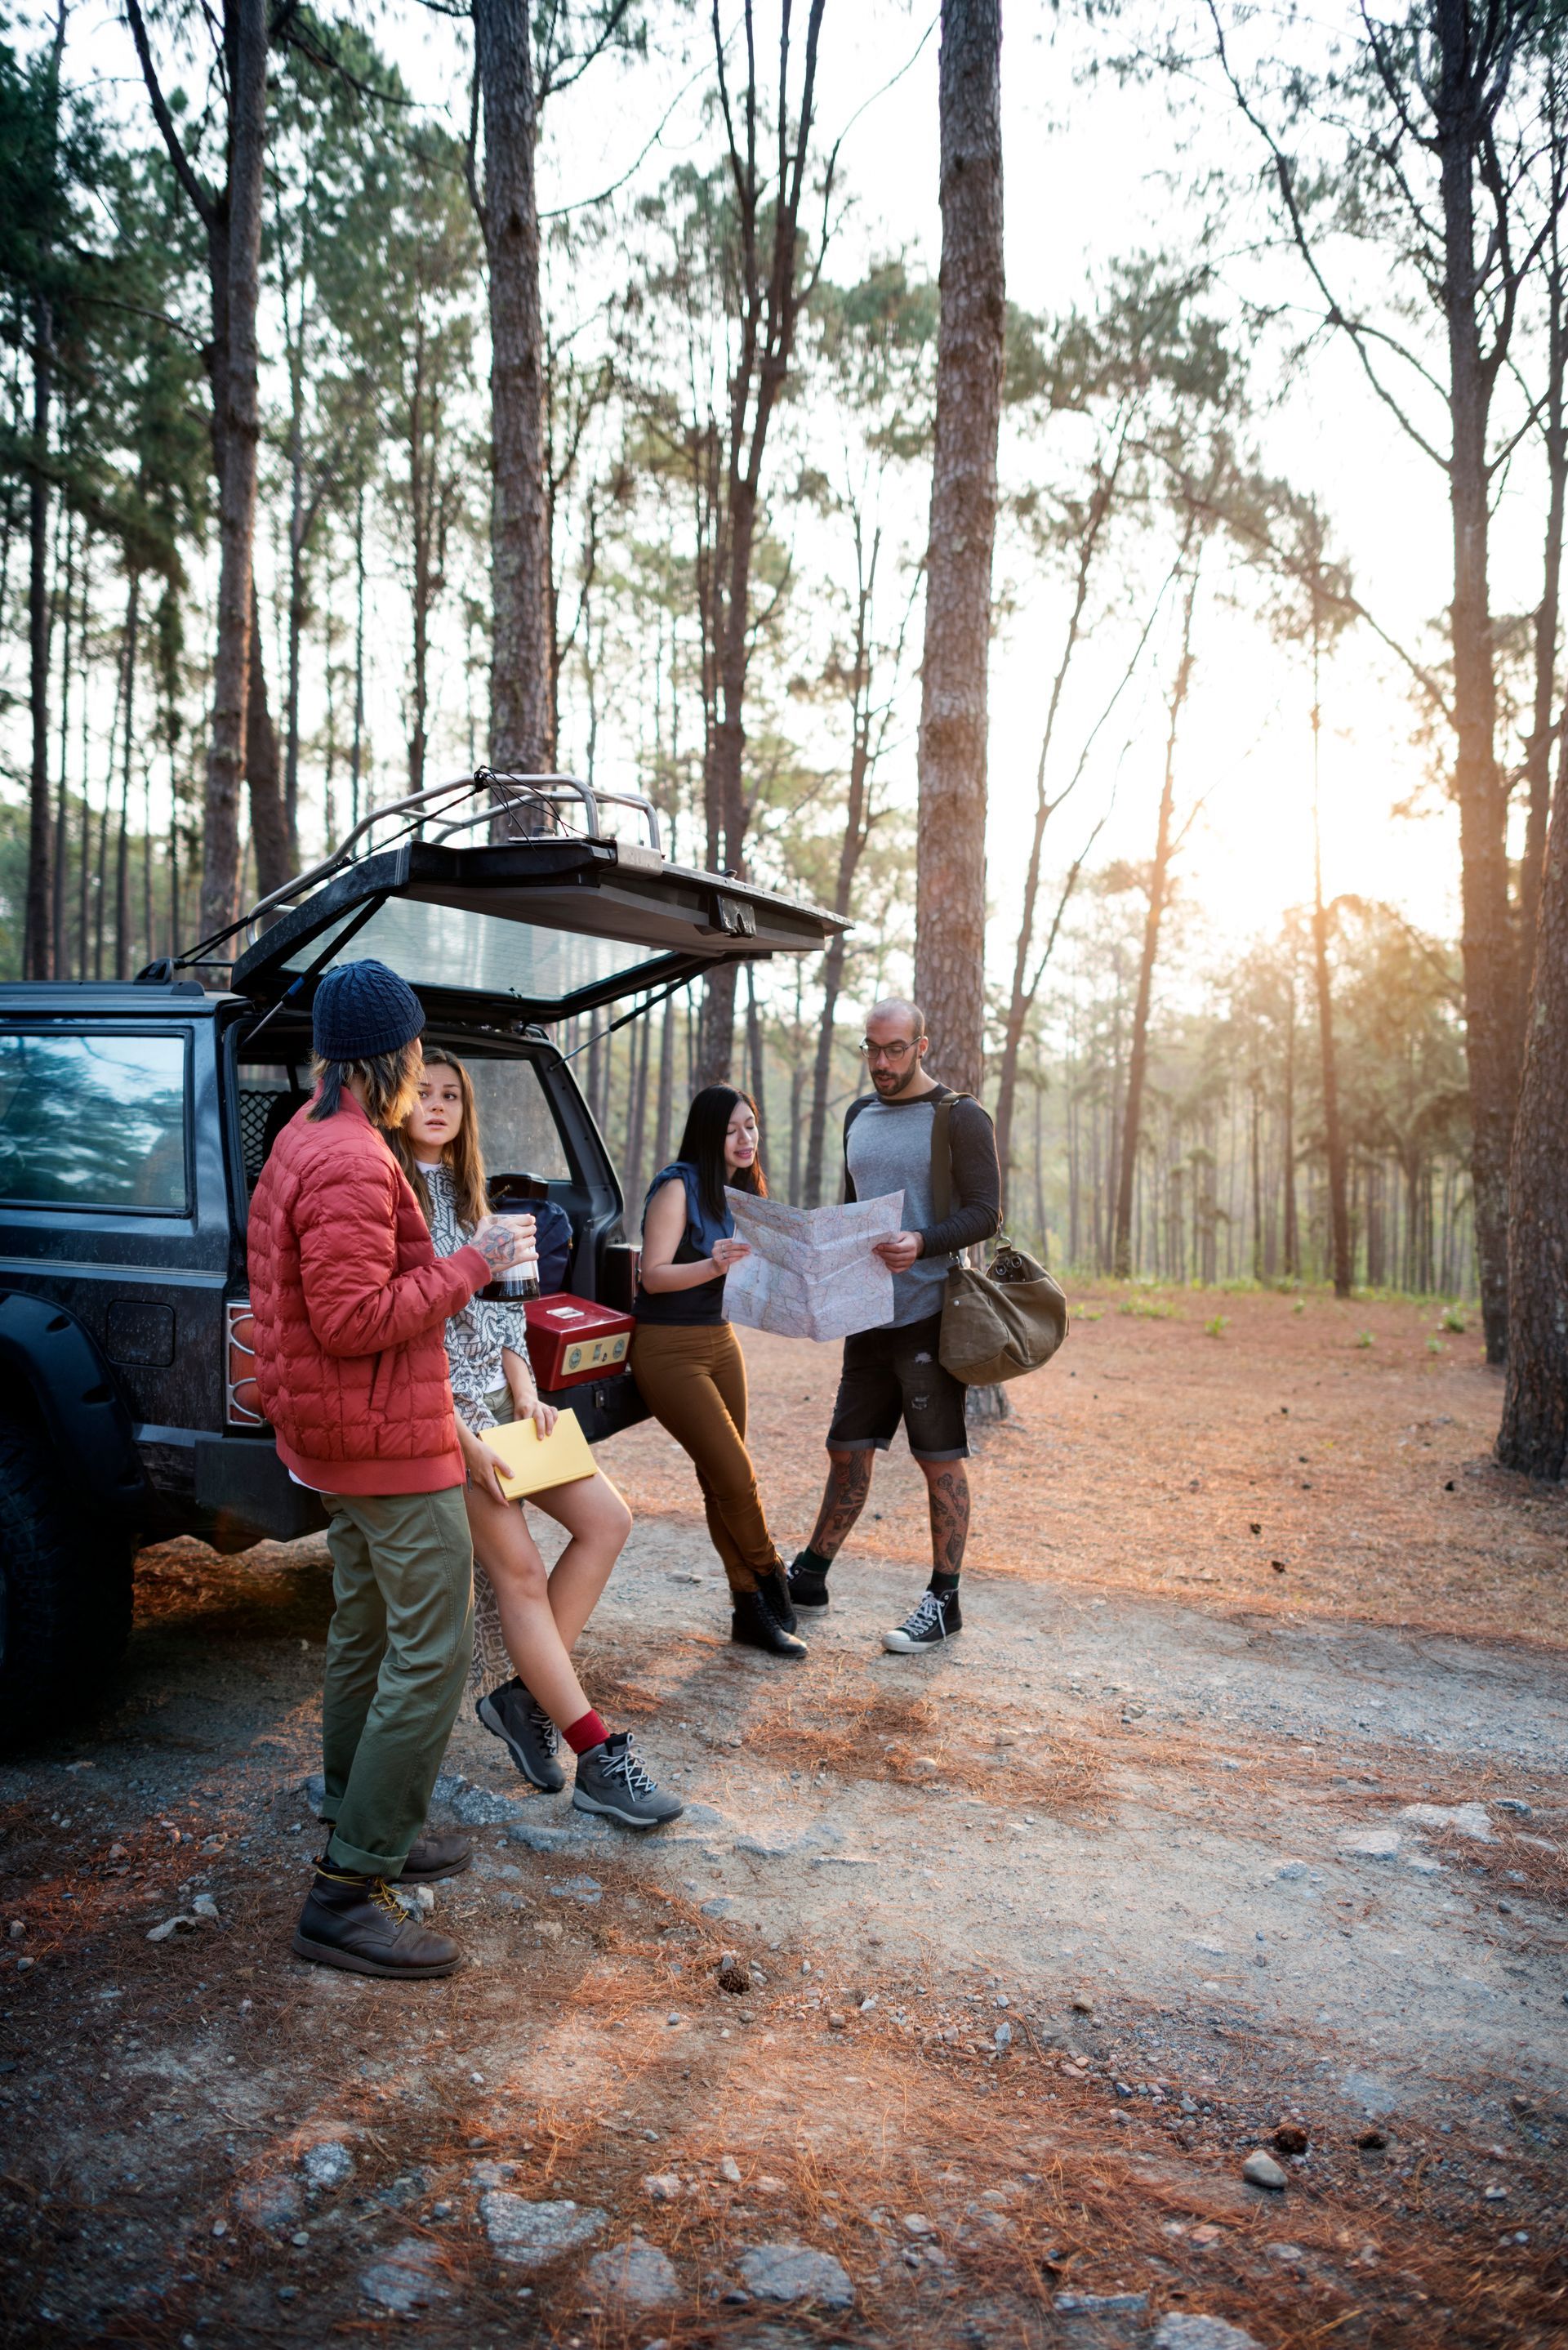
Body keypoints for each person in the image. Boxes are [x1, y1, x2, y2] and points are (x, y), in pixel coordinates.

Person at [247, 958, 530, 1980]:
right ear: (395, 1056)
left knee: (365, 1632)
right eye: (417, 1050)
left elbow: (344, 1293)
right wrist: (475, 1265)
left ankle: (364, 1816)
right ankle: (347, 1891)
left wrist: (451, 1259)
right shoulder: (353, 1160)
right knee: (433, 1651)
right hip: (381, 1441)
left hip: (337, 1439)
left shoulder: (308, 1136)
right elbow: (354, 1320)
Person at [390, 1048, 680, 1828]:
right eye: (425, 1092)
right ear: (396, 1100)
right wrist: (464, 1435)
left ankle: (522, 1698)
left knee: (607, 1520)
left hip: (506, 1402)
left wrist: (530, 1396)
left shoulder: (479, 1196)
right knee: (518, 1573)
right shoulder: (391, 1201)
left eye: (453, 1093)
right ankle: (594, 1750)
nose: (440, 1104)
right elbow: (401, 1339)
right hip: (441, 1416)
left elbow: (510, 1311)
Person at [786, 998, 1000, 1652]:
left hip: (930, 1315)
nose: (881, 1062)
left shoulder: (960, 1117)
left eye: (895, 1049)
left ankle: (945, 1600)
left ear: (923, 1046)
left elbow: (986, 1212)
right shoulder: (858, 1115)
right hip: (867, 1313)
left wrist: (924, 1241)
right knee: (846, 1446)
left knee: (938, 1458)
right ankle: (811, 1576)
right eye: (872, 1049)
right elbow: (856, 1211)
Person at [630, 1086, 806, 1659]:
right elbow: (652, 1276)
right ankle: (773, 1574)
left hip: (721, 1341)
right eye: (733, 1129)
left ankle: (747, 1609)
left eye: (752, 1127)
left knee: (718, 1481)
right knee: (736, 1477)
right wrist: (712, 1263)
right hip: (668, 1347)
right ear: (709, 1133)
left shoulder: (741, 1192)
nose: (746, 1139)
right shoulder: (677, 1184)